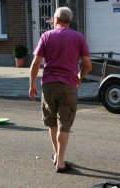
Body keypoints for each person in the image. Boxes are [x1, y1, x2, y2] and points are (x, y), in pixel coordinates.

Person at [29, 7, 92, 173]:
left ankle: (57, 156)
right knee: (64, 123)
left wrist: (32, 84)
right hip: (69, 85)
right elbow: (88, 65)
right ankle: (61, 162)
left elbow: (35, 63)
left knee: (51, 122)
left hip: (49, 84)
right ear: (70, 21)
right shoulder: (79, 37)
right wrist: (79, 77)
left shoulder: (46, 36)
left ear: (55, 20)